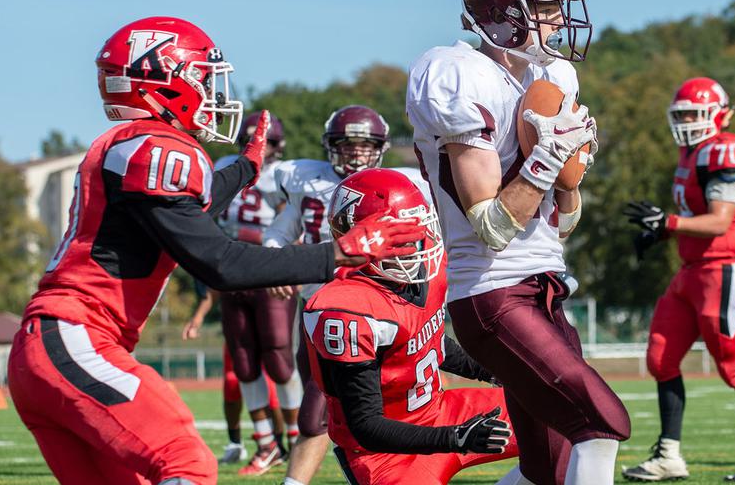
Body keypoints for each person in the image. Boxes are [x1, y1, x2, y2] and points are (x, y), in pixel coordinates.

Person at [6, 16, 426, 485]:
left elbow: (193, 209)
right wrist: (337, 253)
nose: (211, 93)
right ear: (165, 80)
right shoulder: (156, 147)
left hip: (49, 348)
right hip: (77, 338)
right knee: (187, 460)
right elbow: (222, 262)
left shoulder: (127, 145)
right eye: (203, 78)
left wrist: (246, 168)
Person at [406, 0, 631, 485]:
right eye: (546, 6)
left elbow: (560, 223)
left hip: (545, 282)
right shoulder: (457, 73)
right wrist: (548, 157)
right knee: (601, 422)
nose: (558, 21)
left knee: (545, 470)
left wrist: (570, 177)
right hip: (490, 291)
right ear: (504, 12)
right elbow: (491, 228)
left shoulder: (549, 79)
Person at [621, 77, 735, 482]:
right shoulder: (690, 152)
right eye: (682, 115)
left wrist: (669, 222)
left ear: (721, 114)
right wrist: (659, 231)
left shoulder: (724, 148)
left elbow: (719, 221)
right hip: (691, 273)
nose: (689, 121)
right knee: (660, 359)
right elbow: (692, 219)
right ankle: (669, 456)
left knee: (734, 365)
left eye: (696, 113)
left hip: (724, 268)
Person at [304, 168, 517, 485]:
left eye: (412, 229)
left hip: (442, 411)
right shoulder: (345, 308)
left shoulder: (429, 272)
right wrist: (456, 438)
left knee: (562, 416)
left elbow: (429, 342)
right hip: (384, 454)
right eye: (395, 234)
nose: (410, 244)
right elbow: (366, 425)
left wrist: (489, 370)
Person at [261, 105, 430, 485]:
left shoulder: (397, 184)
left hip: (375, 310)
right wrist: (278, 267)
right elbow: (277, 235)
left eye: (363, 145)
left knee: (324, 409)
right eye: (347, 144)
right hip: (317, 307)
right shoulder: (307, 182)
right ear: (330, 146)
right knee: (334, 412)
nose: (355, 152)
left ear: (380, 147)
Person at [213, 112, 302, 476]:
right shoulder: (225, 166)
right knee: (244, 362)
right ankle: (267, 444)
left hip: (269, 271)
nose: (263, 151)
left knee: (279, 360)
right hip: (231, 270)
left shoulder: (289, 175)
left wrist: (290, 261)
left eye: (268, 143)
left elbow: (298, 223)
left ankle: (298, 440)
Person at [180, 281, 283, 466]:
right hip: (239, 325)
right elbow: (216, 284)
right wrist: (198, 317)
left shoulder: (265, 254)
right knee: (232, 382)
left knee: (272, 383)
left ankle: (280, 444)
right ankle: (235, 443)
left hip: (265, 321)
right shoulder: (225, 256)